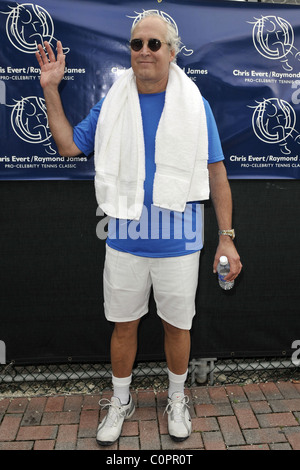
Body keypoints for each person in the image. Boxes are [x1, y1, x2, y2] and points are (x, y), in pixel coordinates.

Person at [36, 11, 242, 446]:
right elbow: (70, 145)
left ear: (171, 51)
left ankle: (176, 398)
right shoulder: (113, 103)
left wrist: (227, 237)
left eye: (154, 43)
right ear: (129, 51)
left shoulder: (195, 104)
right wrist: (50, 90)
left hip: (180, 242)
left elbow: (216, 172)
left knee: (177, 328)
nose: (144, 51)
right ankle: (120, 400)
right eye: (136, 44)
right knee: (124, 326)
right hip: (126, 240)